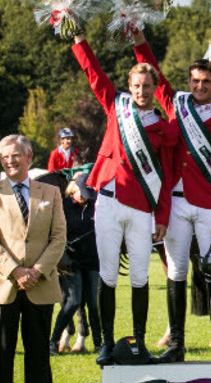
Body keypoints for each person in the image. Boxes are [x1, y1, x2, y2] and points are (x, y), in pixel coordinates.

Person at [136, 32, 211, 363]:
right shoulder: (174, 104)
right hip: (177, 203)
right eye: (195, 81)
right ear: (189, 81)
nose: (199, 87)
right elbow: (151, 66)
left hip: (210, 205)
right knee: (176, 272)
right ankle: (177, 344)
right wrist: (138, 35)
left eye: (206, 82)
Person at [71, 32, 174, 365]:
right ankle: (105, 342)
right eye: (136, 85)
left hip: (143, 208)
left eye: (147, 86)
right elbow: (94, 75)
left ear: (154, 88)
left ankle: (140, 343)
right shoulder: (117, 107)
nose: (141, 91)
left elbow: (167, 178)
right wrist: (81, 41)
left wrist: (162, 217)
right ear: (130, 87)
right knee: (108, 276)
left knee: (141, 278)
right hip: (110, 202)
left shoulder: (164, 127)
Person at [0, 134, 66, 382]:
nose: (10, 161)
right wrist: (16, 271)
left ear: (28, 156)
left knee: (39, 358)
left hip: (41, 284)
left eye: (15, 155)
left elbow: (59, 238)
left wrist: (36, 271)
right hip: (1, 286)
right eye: (4, 157)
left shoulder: (51, 192)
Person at [49, 172, 101, 355]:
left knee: (93, 305)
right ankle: (53, 342)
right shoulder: (63, 207)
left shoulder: (96, 206)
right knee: (73, 301)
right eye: (83, 193)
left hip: (92, 260)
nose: (86, 198)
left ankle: (99, 344)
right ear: (75, 188)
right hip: (70, 261)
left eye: (89, 194)